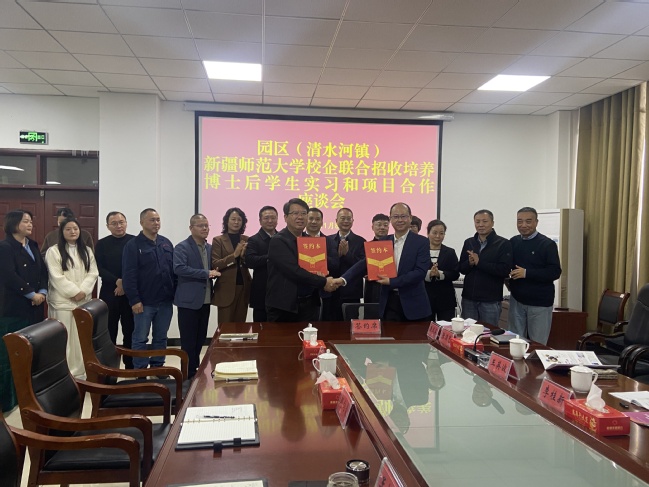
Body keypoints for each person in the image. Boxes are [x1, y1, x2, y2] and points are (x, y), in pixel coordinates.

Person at [338, 203, 431, 322]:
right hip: (389, 303)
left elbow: (420, 272)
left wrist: (392, 281)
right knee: (388, 334)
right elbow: (364, 263)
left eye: (403, 216)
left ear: (410, 218)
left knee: (415, 334)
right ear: (391, 219)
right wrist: (343, 279)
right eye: (396, 217)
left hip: (414, 304)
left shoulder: (421, 242)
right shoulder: (384, 241)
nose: (400, 220)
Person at [0, 209, 48, 412]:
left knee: (31, 351)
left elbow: (43, 271)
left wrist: (42, 291)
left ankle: (28, 394)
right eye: (25, 221)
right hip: (14, 309)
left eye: (30, 221)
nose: (30, 224)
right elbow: (9, 276)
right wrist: (31, 294)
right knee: (10, 354)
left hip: (36, 307)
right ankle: (8, 400)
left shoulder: (33, 245)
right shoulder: (5, 247)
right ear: (13, 224)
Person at [266, 198, 339, 322]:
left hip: (310, 304)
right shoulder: (278, 241)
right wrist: (323, 282)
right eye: (295, 213)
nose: (300, 217)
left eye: (304, 213)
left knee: (311, 334)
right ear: (285, 217)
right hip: (285, 306)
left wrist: (320, 272)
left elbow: (314, 265)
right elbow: (293, 271)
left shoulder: (310, 240)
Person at [122, 208, 175, 370]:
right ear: (142, 222)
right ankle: (140, 371)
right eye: (152, 220)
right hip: (144, 302)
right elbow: (129, 275)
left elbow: (172, 271)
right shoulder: (133, 245)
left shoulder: (165, 243)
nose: (156, 223)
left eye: (158, 219)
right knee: (140, 338)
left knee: (161, 337)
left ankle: (158, 367)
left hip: (165, 301)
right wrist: (134, 300)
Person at [45, 217, 99, 377]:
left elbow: (93, 272)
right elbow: (56, 276)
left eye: (75, 228)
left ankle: (82, 373)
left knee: (81, 339)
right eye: (68, 229)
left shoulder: (87, 251)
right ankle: (65, 375)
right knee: (65, 340)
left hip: (82, 302)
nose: (72, 232)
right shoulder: (53, 251)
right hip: (62, 303)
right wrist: (74, 292)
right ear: (61, 232)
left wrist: (83, 291)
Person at [174, 214, 220, 378]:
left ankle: (196, 371)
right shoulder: (182, 247)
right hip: (188, 301)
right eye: (200, 225)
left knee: (200, 339)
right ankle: (187, 374)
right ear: (191, 228)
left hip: (205, 300)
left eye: (206, 225)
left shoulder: (210, 248)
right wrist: (206, 273)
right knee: (188, 341)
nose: (205, 228)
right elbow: (179, 268)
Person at [508, 207, 562, 345]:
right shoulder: (513, 242)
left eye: (528, 221)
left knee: (537, 344)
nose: (523, 225)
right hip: (517, 301)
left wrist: (527, 273)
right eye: (519, 221)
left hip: (539, 303)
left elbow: (555, 271)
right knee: (515, 343)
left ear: (536, 222)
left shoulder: (547, 244)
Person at [94, 211, 135, 368]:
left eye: (121, 222)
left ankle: (130, 365)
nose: (119, 226)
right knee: (109, 330)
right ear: (108, 226)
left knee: (130, 329)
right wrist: (117, 281)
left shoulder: (134, 242)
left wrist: (124, 283)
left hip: (130, 293)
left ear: (126, 223)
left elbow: (138, 266)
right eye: (114, 223)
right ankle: (110, 367)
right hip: (109, 292)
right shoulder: (102, 244)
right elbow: (99, 268)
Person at [458, 209, 512, 327]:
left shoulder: (503, 243)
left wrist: (480, 263)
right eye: (477, 222)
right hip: (469, 298)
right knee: (467, 332)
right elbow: (461, 268)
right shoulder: (469, 242)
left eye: (484, 221)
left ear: (492, 223)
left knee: (488, 333)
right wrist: (470, 263)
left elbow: (504, 270)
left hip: (490, 300)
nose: (481, 225)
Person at [211, 207, 251, 324]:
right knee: (225, 327)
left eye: (239, 219)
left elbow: (249, 262)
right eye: (233, 219)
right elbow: (216, 264)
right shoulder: (218, 240)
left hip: (243, 286)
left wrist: (243, 256)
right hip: (225, 289)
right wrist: (234, 255)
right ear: (226, 221)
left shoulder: (246, 239)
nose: (236, 222)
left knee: (241, 326)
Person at [325, 208, 366, 321]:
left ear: (353, 221)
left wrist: (347, 255)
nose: (346, 221)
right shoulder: (328, 240)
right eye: (343, 218)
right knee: (330, 325)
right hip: (331, 291)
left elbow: (363, 267)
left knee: (350, 325)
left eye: (349, 219)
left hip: (351, 292)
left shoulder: (361, 241)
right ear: (336, 220)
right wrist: (337, 257)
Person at [246, 206, 278, 322]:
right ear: (260, 221)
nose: (270, 221)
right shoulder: (254, 240)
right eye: (266, 218)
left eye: (273, 218)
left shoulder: (283, 238)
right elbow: (250, 261)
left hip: (281, 291)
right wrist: (271, 257)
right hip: (262, 290)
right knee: (261, 327)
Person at [424, 219, 459, 322]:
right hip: (425, 298)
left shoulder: (450, 252)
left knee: (446, 328)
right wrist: (429, 274)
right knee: (424, 328)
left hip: (446, 299)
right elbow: (414, 271)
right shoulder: (420, 251)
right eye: (434, 233)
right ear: (428, 233)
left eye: (441, 233)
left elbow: (455, 273)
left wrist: (440, 274)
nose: (438, 236)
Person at [363, 213, 390, 304]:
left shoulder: (393, 245)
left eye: (385, 225)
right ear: (372, 227)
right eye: (379, 225)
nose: (382, 227)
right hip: (372, 287)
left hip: (389, 287)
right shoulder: (367, 246)